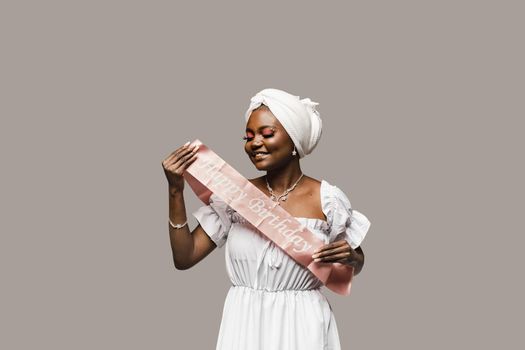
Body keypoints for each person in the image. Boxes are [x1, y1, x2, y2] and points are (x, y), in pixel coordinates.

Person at [161, 88, 371, 350]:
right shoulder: (233, 196)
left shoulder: (328, 199)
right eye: (248, 137)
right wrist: (175, 190)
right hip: (244, 320)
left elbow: (353, 264)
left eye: (267, 134)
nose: (254, 143)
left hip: (303, 324)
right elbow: (185, 257)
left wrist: (352, 257)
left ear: (294, 140)